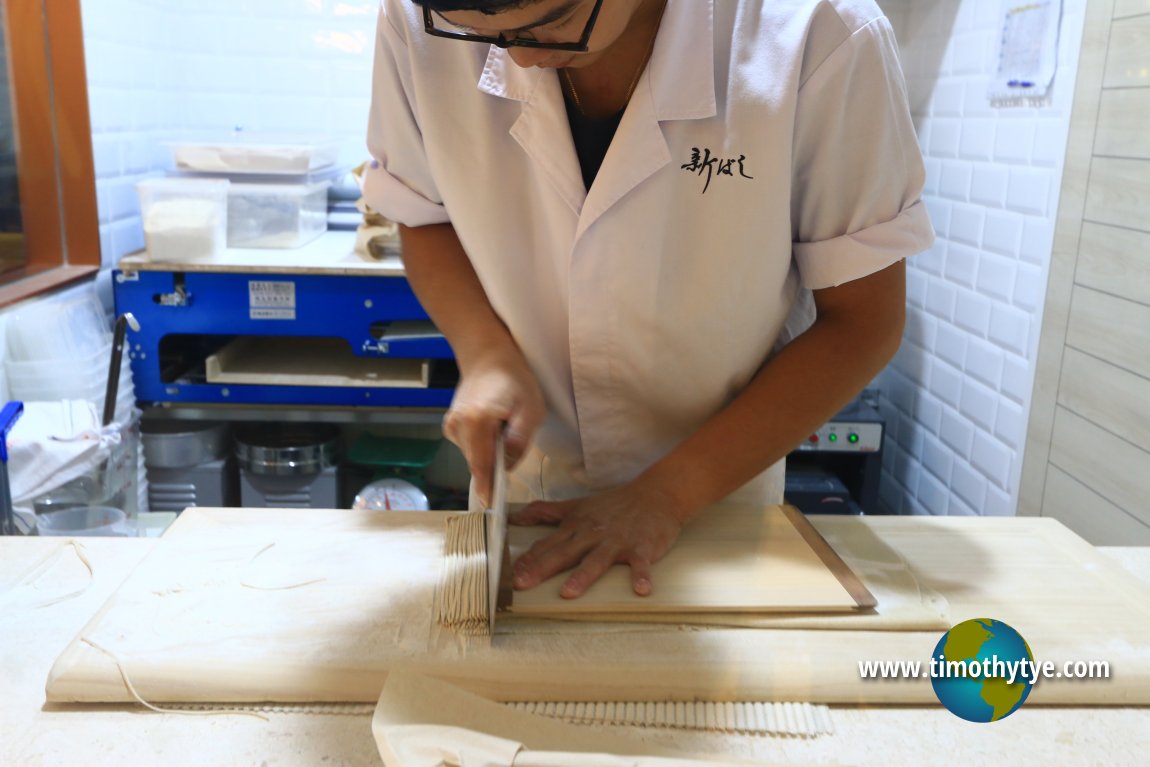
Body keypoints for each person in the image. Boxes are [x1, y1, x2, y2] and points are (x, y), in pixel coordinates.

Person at [362, 0, 934, 600]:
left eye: (552, 21)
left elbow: (862, 322)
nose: (520, 57)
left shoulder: (822, 35)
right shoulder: (411, 20)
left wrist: (671, 492)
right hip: (531, 493)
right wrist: (484, 351)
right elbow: (421, 214)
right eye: (480, 34)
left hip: (715, 501)